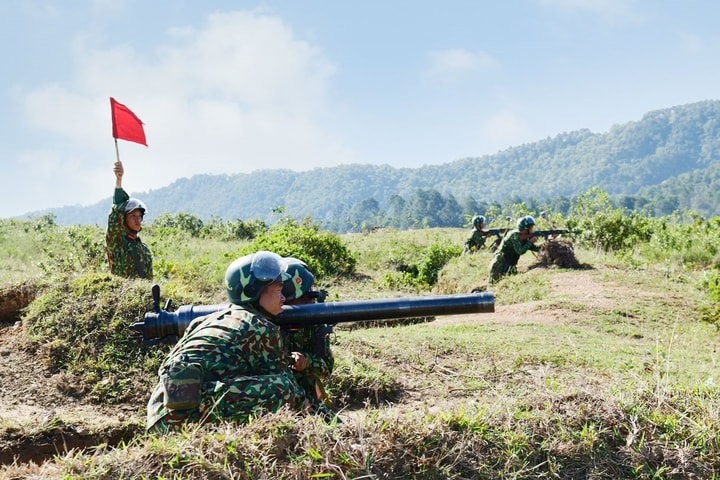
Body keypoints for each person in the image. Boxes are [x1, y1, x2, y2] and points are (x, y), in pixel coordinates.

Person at [145, 251, 312, 433]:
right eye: (278, 290)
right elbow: (290, 387)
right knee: (285, 388)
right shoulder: (259, 326)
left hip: (159, 414)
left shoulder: (207, 320)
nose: (283, 298)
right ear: (253, 292)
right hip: (184, 421)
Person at [282, 258, 335, 406]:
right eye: (304, 296)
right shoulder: (266, 325)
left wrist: (307, 362)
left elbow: (327, 368)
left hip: (308, 395)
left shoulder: (314, 326)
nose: (309, 302)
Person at [106, 160, 153, 279]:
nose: (137, 220)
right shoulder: (117, 243)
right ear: (123, 219)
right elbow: (116, 213)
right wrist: (119, 180)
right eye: (133, 216)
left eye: (139, 216)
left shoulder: (144, 249)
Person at [488, 215, 541, 283]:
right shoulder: (514, 235)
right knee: (494, 283)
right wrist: (530, 241)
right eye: (531, 227)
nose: (532, 229)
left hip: (510, 264)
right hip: (500, 263)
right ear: (525, 228)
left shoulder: (524, 237)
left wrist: (547, 244)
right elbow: (520, 251)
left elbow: (534, 248)